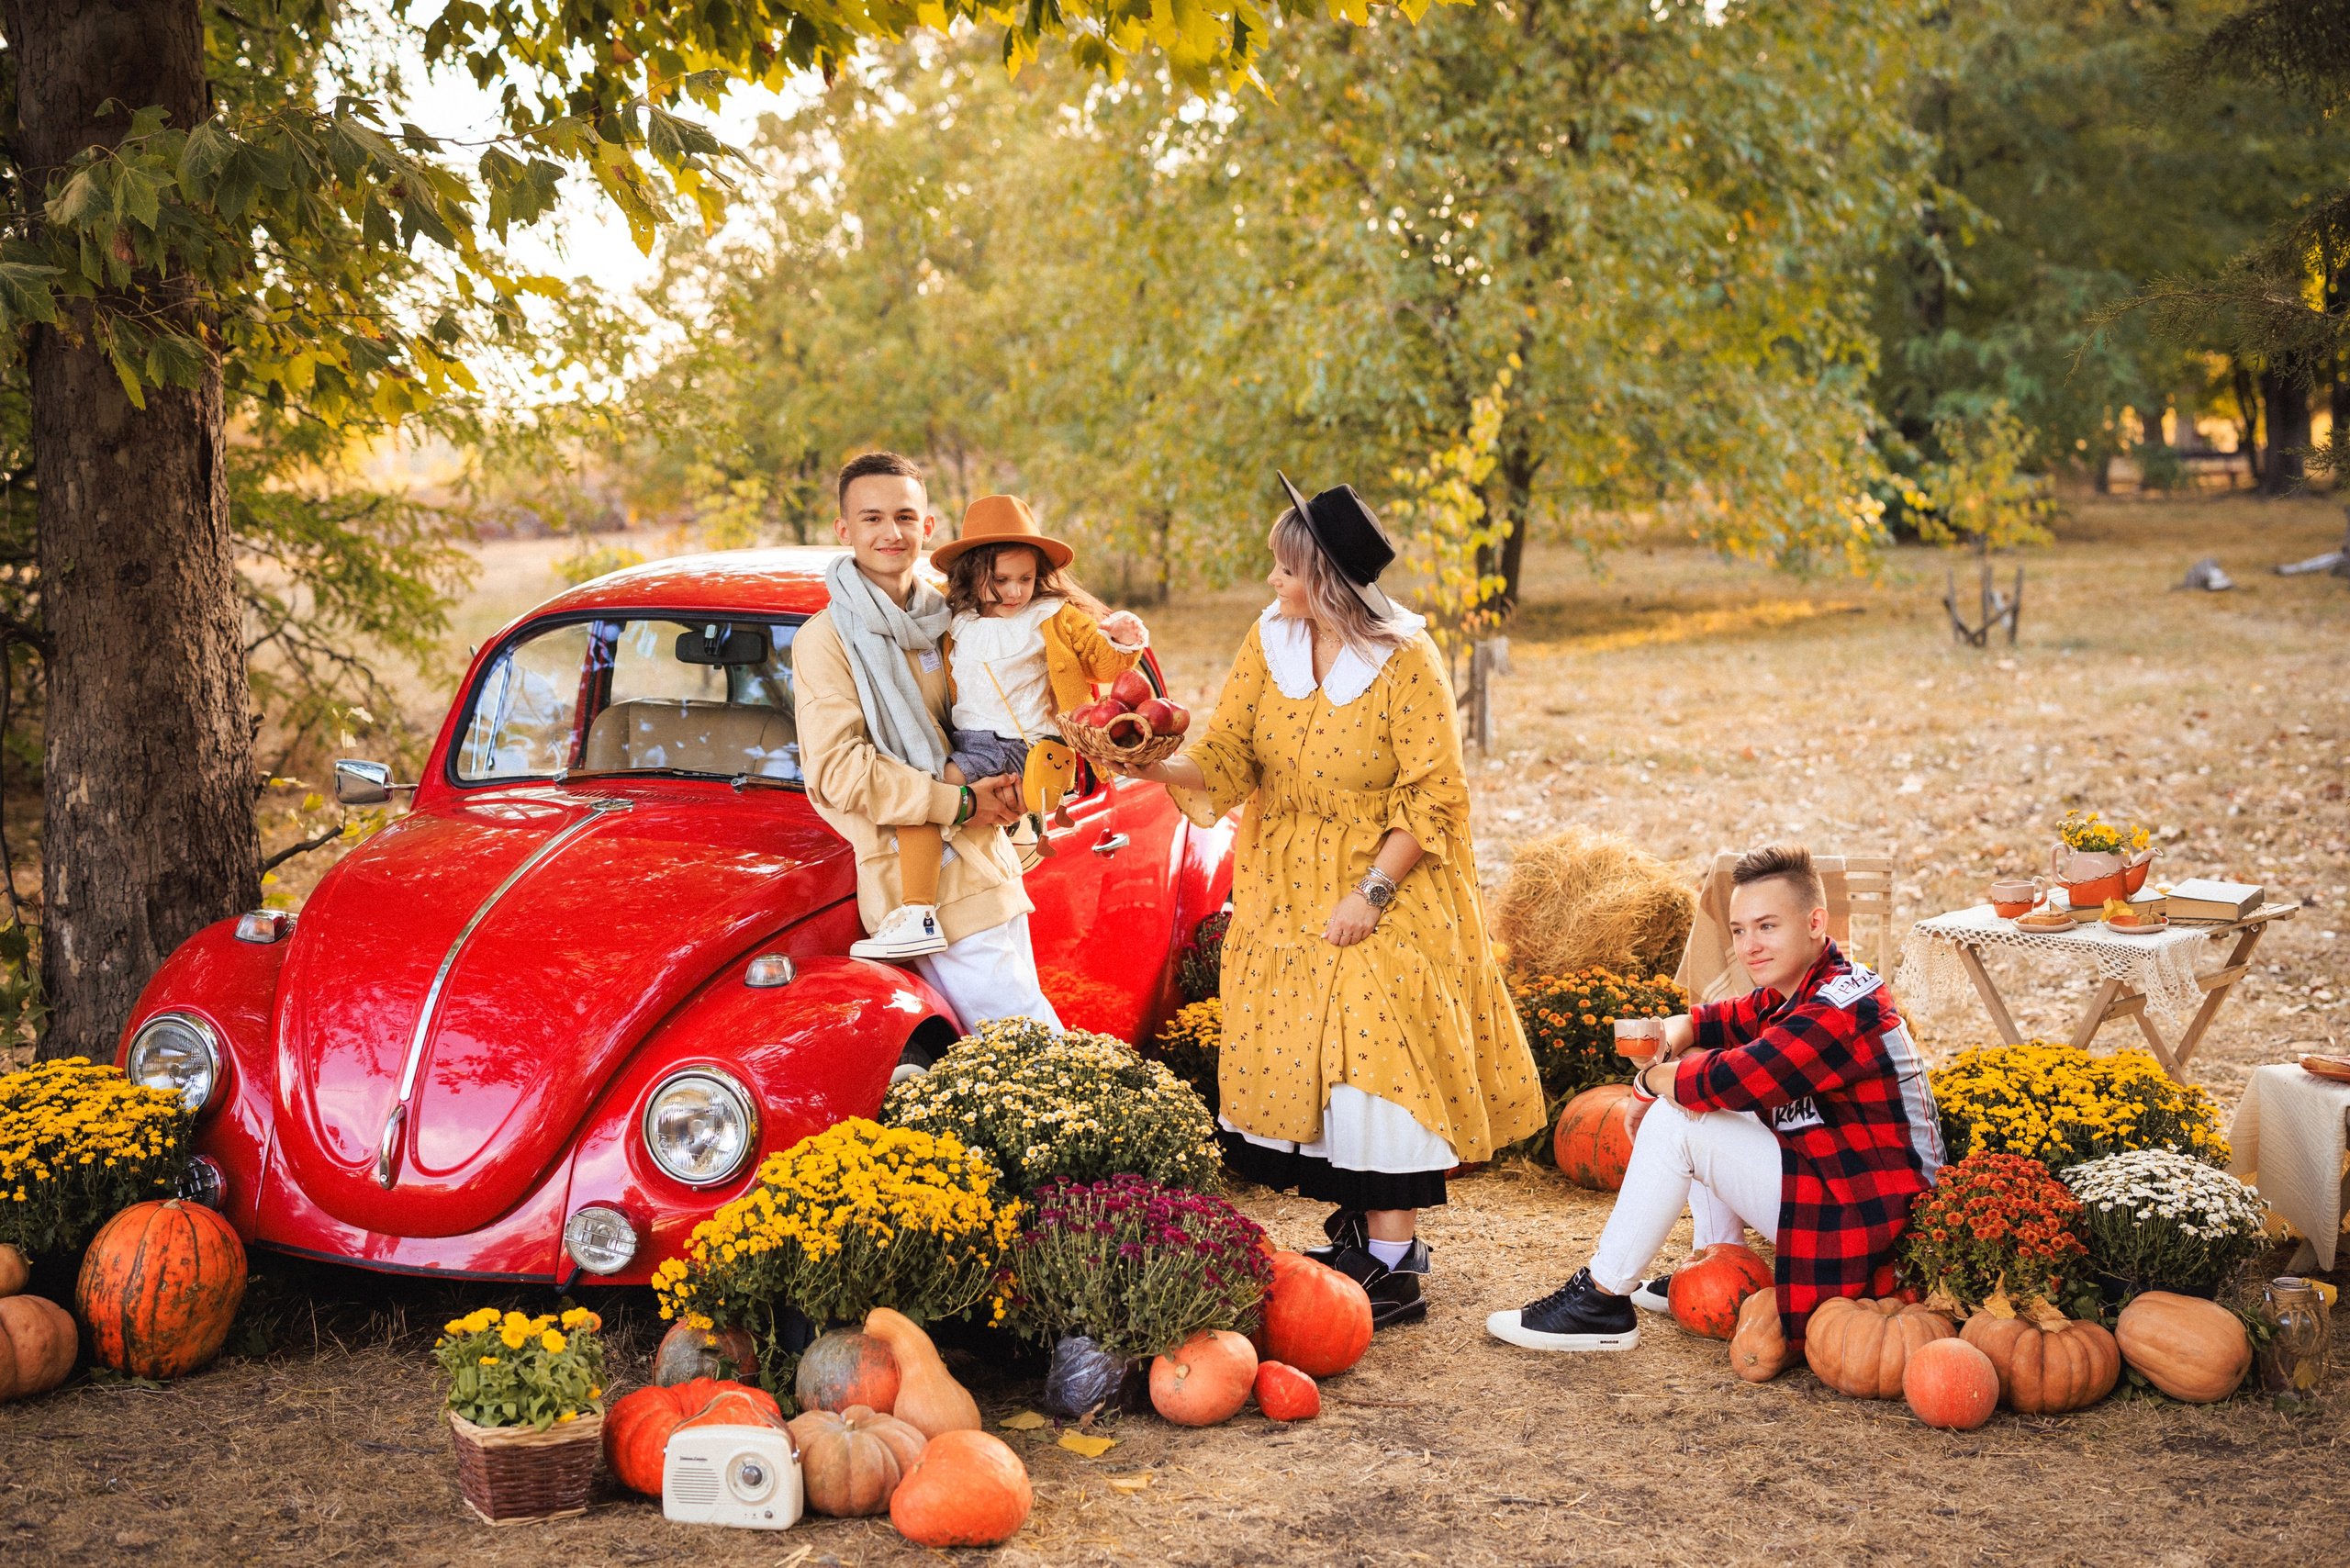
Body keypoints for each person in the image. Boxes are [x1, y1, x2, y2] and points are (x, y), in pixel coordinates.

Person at [1119, 473, 1546, 1328]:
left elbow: (1433, 798)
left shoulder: (1406, 661)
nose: (1270, 583)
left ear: (1323, 579)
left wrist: (1371, 894)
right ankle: (1358, 1231)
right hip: (1284, 880)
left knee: (1375, 1038)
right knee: (1307, 1045)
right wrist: (1151, 764)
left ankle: (1393, 1264)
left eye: (1283, 570)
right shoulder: (1269, 638)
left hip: (1392, 878)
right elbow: (1231, 754)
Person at [1487, 844, 1942, 1352]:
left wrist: (1648, 1083)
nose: (1751, 946)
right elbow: (1721, 1017)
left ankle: (1600, 1301)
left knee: (1681, 1117)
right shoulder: (1801, 986)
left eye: (1767, 927)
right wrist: (1674, 1030)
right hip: (1837, 1182)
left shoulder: (1838, 1009)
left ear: (1816, 922)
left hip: (1871, 1227)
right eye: (1739, 931)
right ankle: (1722, 1265)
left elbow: (1734, 1080)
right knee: (1696, 1082)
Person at [792, 452, 1064, 1035]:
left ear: (928, 527)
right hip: (924, 883)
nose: (891, 533)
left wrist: (1022, 786)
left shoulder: (959, 618)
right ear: (844, 529)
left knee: (1017, 1050)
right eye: (871, 518)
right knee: (1027, 1047)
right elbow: (838, 771)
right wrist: (960, 801)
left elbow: (1005, 712)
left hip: (995, 857)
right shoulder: (826, 640)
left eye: (905, 517)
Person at [858, 494, 1151, 954]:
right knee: (929, 800)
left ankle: (919, 913)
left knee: (922, 803)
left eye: (1026, 579)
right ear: (972, 575)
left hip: (1021, 743)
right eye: (1001, 580)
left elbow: (1105, 665)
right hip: (970, 739)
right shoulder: (957, 622)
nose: (1015, 592)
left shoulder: (1053, 617)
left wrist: (1123, 640)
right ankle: (940, 908)